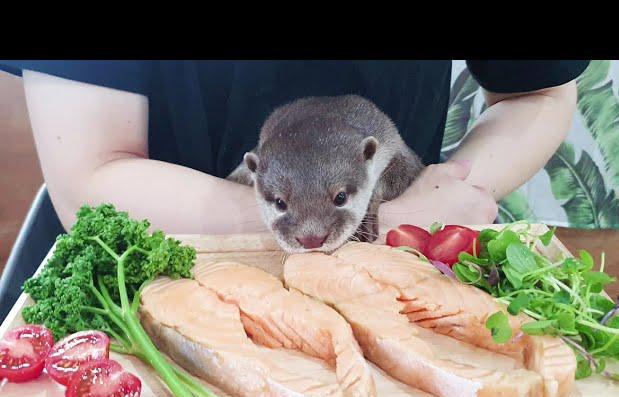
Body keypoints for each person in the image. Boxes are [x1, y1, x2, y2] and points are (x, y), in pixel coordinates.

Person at [0, 60, 588, 319]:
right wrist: (297, 220)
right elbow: (90, 175)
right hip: (144, 268)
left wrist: (448, 192)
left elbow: (536, 92)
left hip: (394, 262)